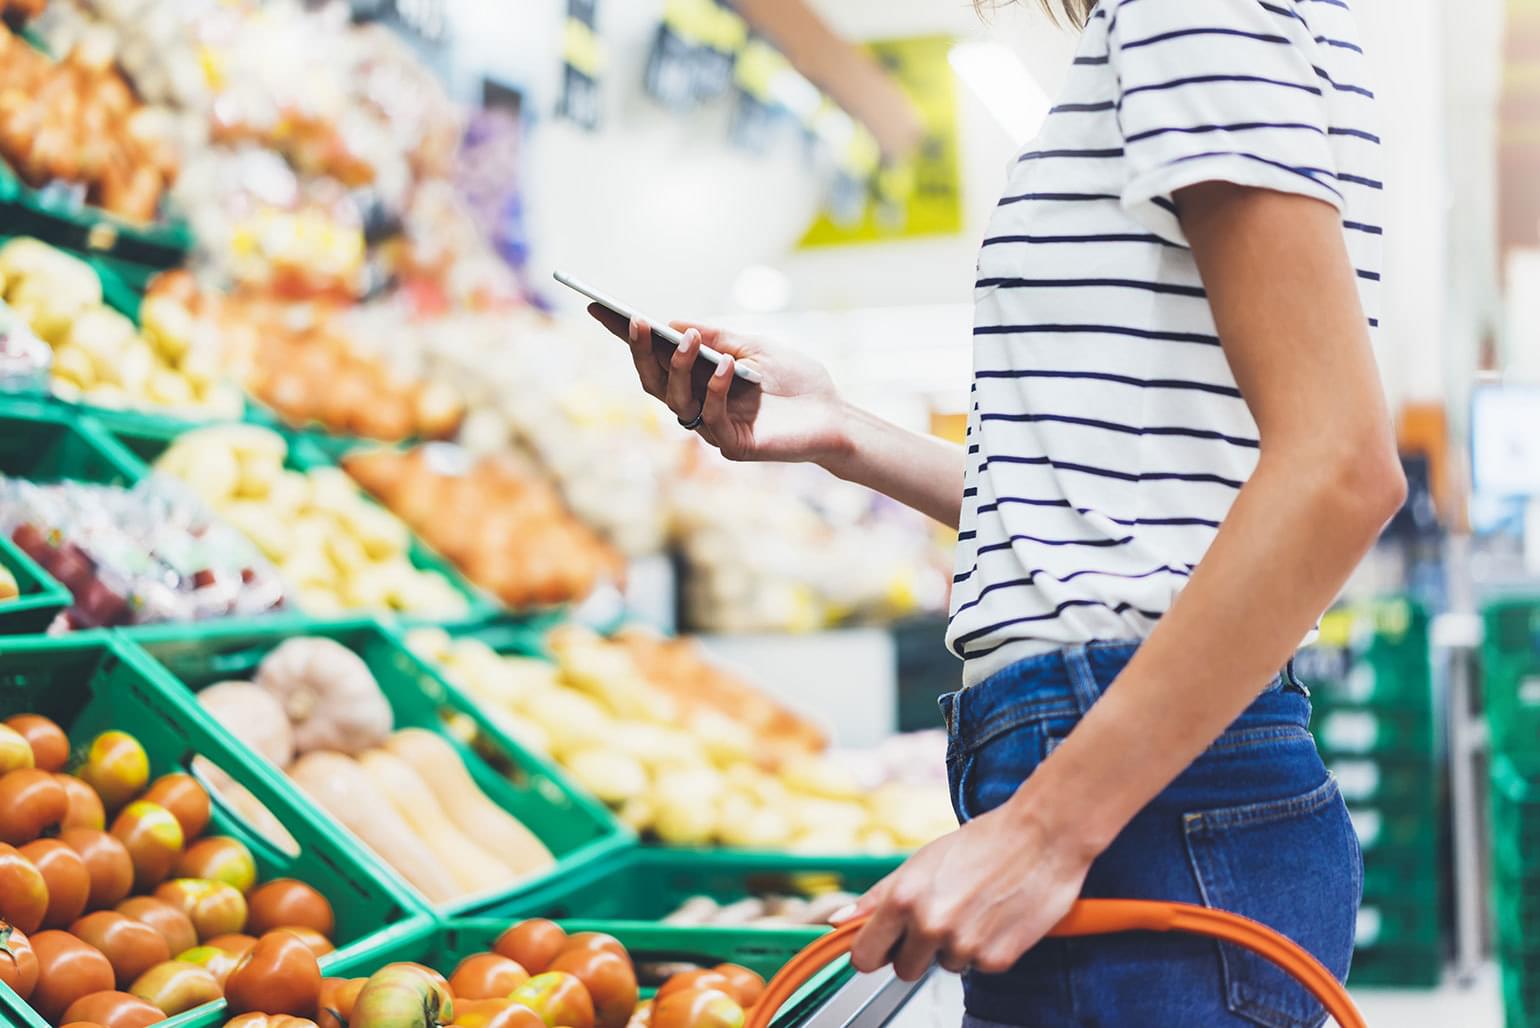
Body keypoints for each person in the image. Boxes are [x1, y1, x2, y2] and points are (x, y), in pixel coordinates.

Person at [590, 0, 1400, 1022]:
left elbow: (1341, 466)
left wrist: (1047, 828)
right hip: (1143, 776)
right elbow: (1116, 506)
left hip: (1140, 785)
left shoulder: (1190, 10)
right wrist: (842, 432)